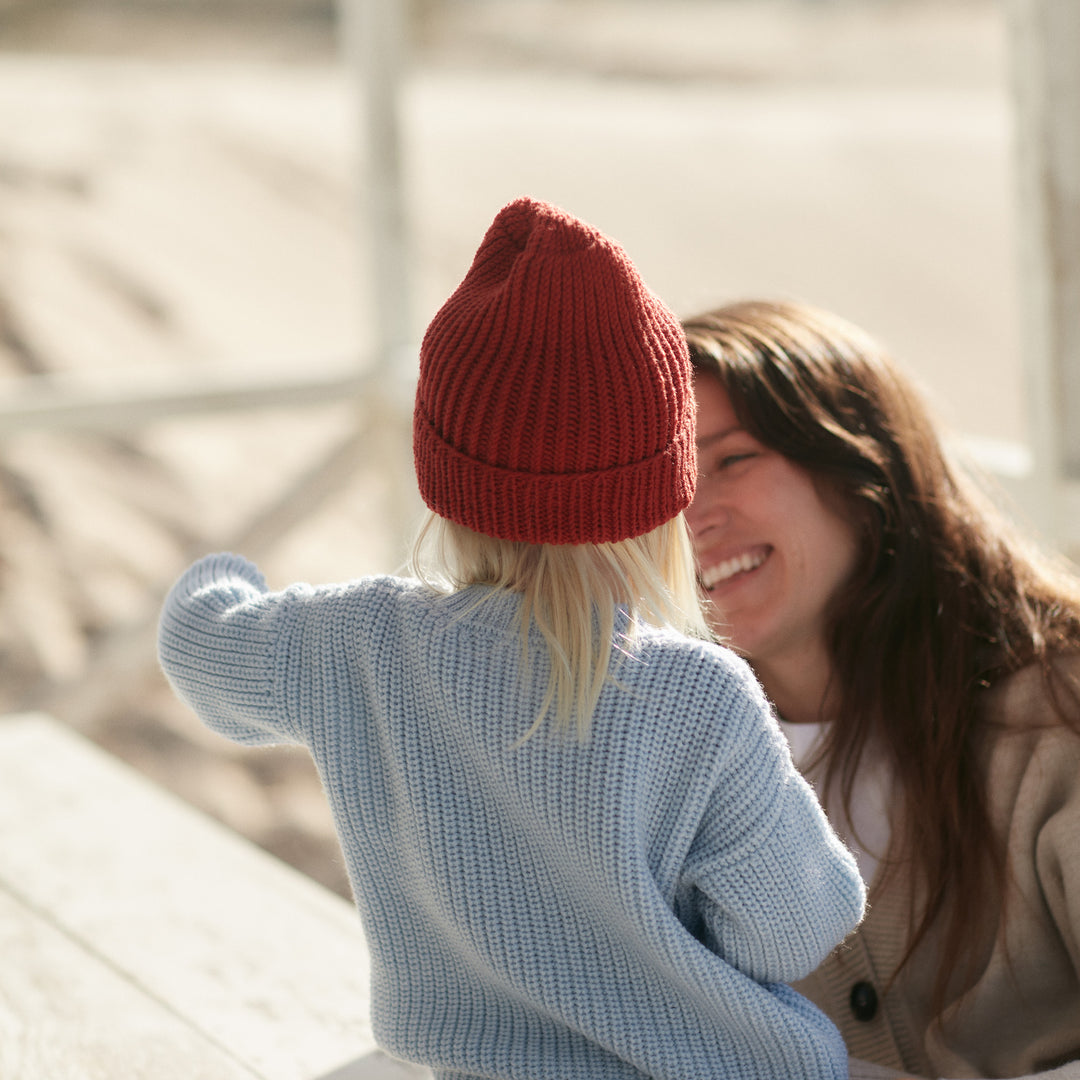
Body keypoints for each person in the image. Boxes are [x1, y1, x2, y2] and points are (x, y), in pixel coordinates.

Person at [157, 200, 866, 1080]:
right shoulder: (698, 695)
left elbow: (199, 648)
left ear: (447, 480)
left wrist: (226, 576)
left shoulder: (356, 642)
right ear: (659, 496)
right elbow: (798, 927)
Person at [681, 298, 1080, 1080]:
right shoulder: (666, 768)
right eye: (663, 487)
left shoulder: (1057, 712)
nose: (692, 516)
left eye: (732, 460)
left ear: (864, 466)